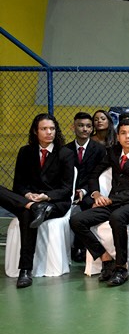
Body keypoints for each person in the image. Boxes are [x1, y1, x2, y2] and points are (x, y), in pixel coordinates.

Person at [69, 117, 129, 287]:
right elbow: (94, 174)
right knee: (77, 220)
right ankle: (105, 258)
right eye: (123, 133)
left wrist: (110, 199)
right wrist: (96, 194)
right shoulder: (113, 152)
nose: (127, 137)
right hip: (111, 203)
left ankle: (121, 267)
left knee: (117, 217)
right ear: (118, 136)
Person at [0, 113, 74, 288]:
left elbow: (66, 189)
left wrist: (46, 197)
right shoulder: (25, 152)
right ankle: (34, 207)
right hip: (30, 200)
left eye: (52, 128)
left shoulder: (65, 153)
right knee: (27, 209)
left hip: (54, 202)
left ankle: (25, 270)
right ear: (35, 131)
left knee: (27, 216)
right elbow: (18, 184)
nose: (49, 132)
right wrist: (28, 196)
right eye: (44, 129)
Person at [66, 111, 107, 262]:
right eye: (81, 125)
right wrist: (71, 191)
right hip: (68, 191)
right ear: (73, 127)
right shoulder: (65, 150)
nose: (84, 129)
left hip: (89, 191)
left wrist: (83, 190)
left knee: (89, 207)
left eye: (88, 126)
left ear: (92, 129)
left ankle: (81, 246)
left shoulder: (100, 150)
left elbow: (97, 175)